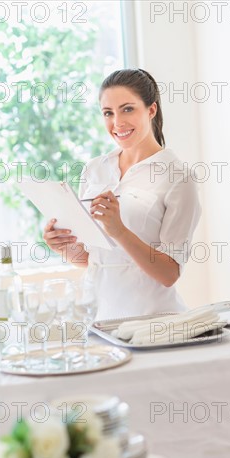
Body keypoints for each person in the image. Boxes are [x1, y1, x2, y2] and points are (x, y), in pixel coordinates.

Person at [43, 68, 201, 320]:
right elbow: (94, 259)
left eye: (127, 109)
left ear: (151, 110)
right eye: (108, 113)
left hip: (151, 321)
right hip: (98, 320)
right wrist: (64, 247)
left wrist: (119, 231)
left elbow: (169, 273)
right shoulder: (94, 170)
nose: (117, 123)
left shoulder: (178, 177)